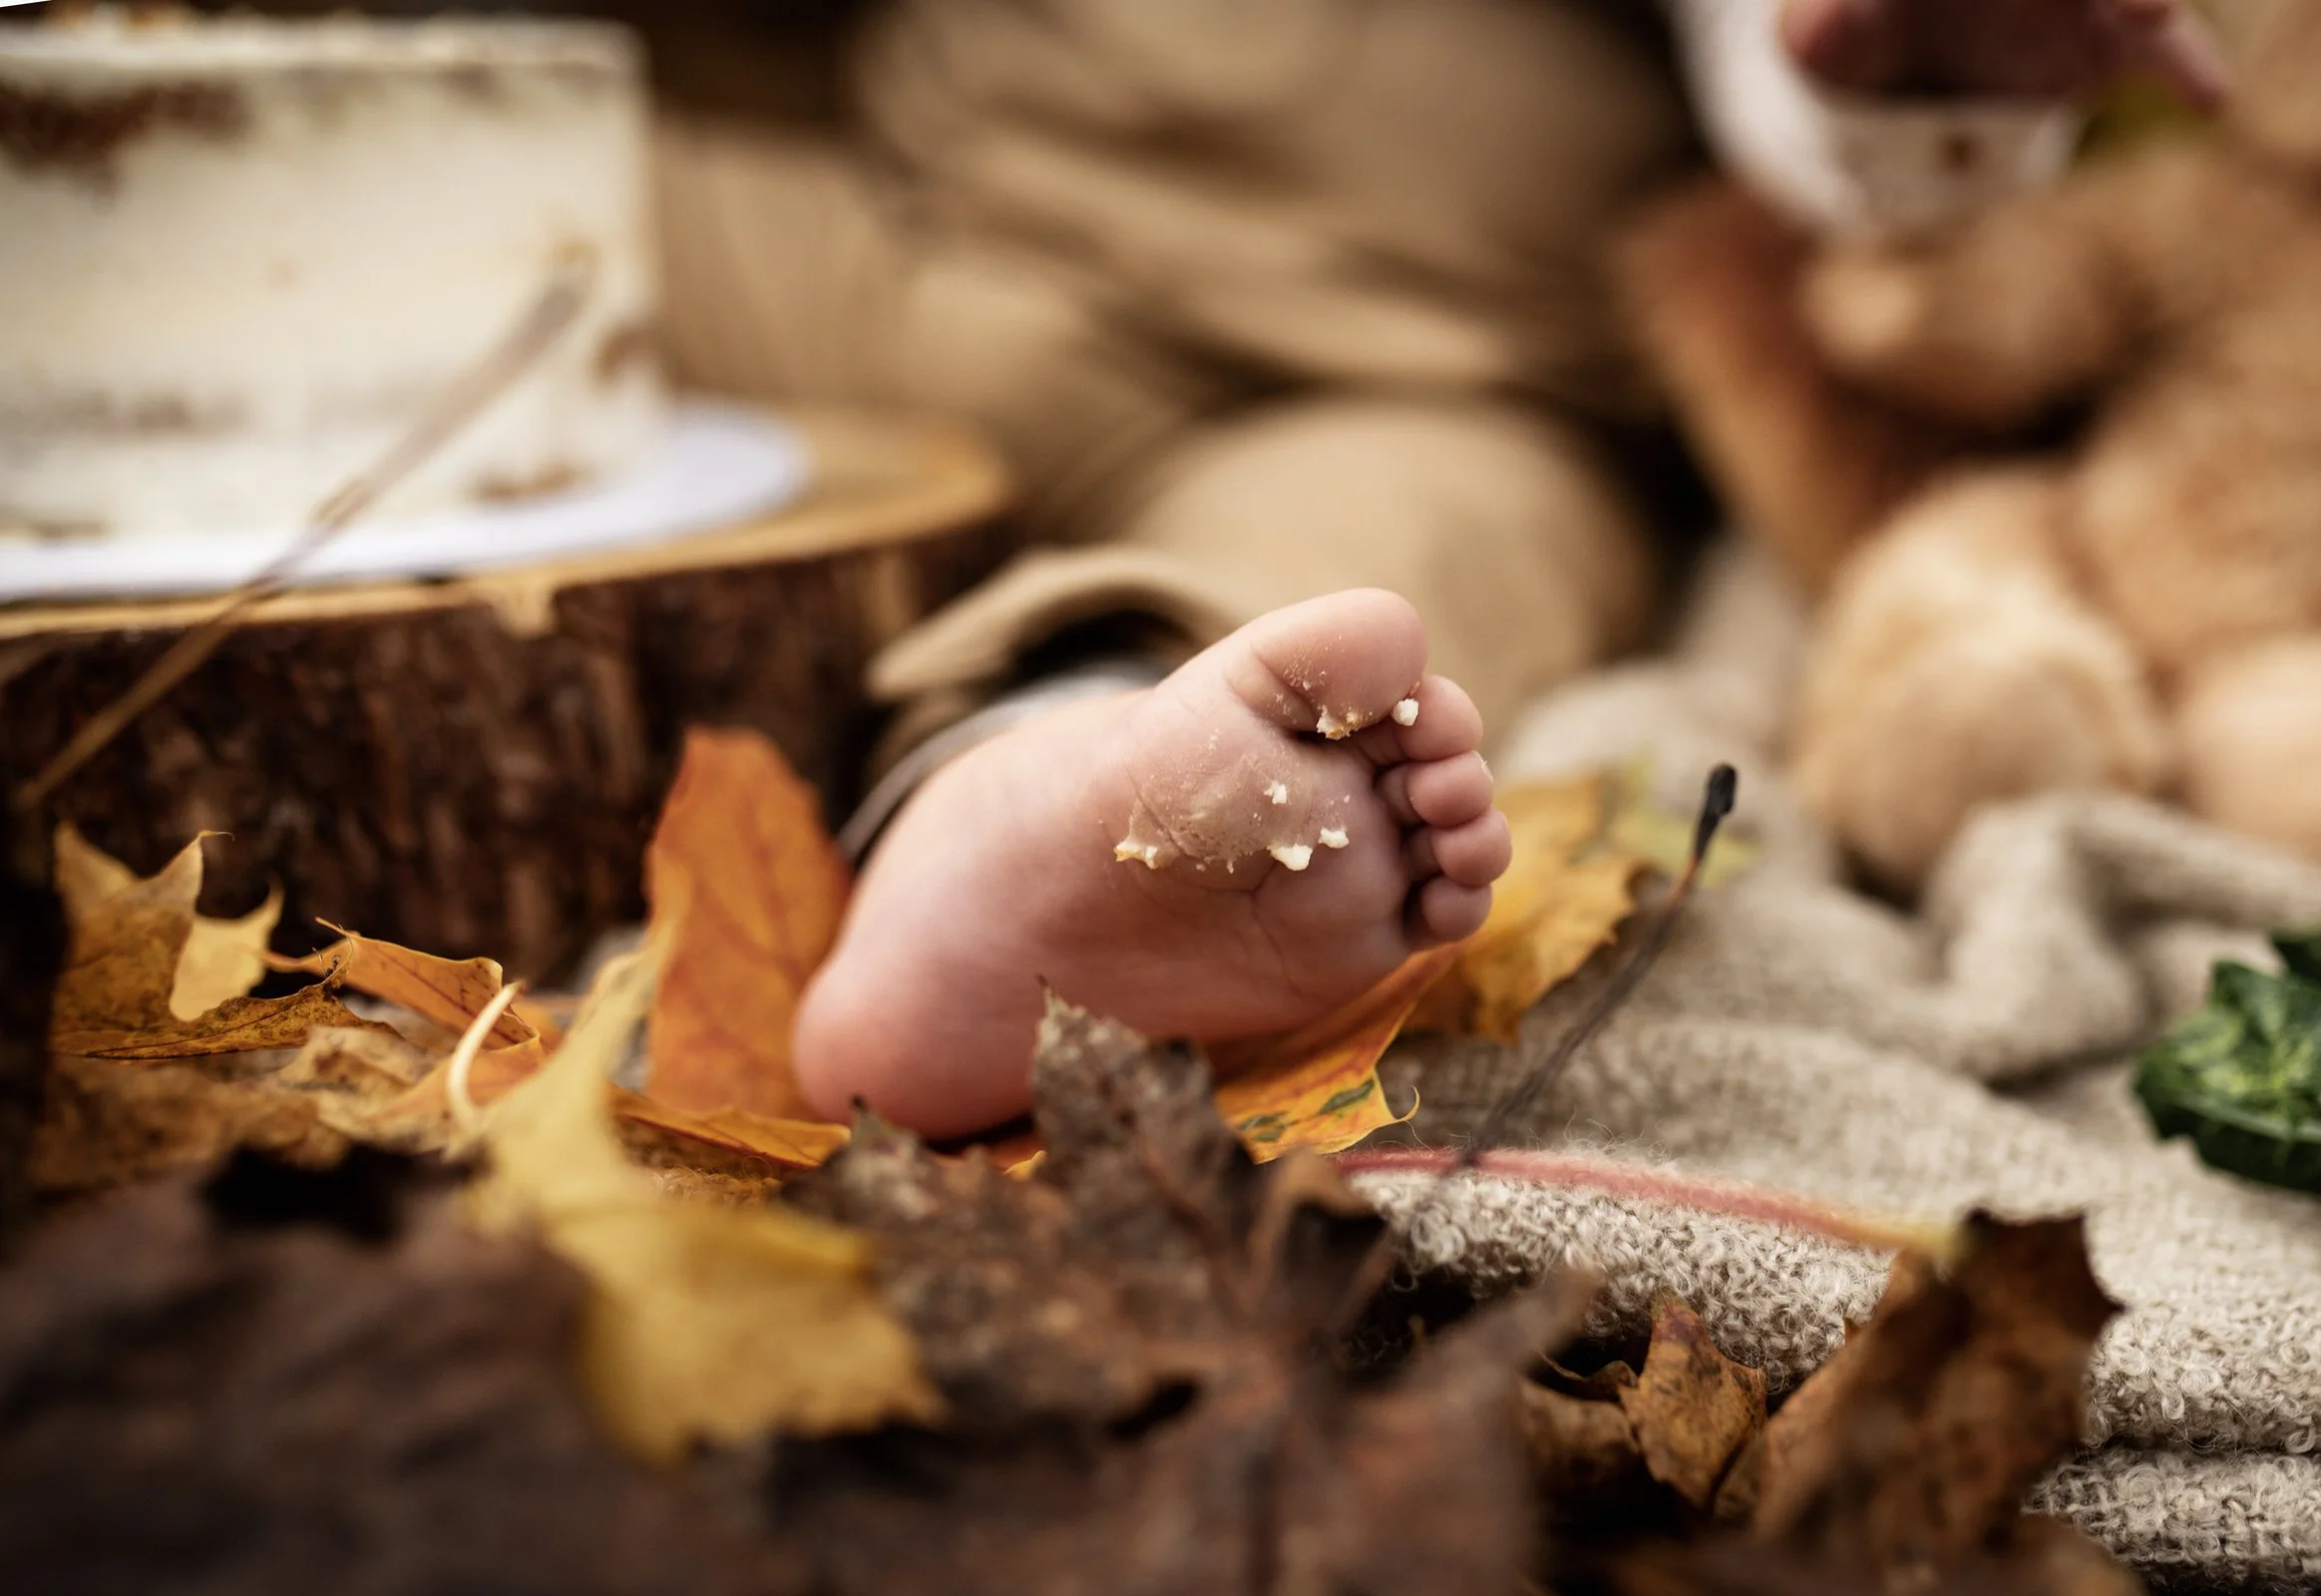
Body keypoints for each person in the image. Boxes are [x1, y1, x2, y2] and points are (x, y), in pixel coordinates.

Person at [651, 0, 2226, 1138]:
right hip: (870, 212)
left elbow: (1802, 74)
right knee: (447, 226)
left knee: (1361, 605)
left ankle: (1049, 785)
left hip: (1425, 356)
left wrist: (1912, 84)